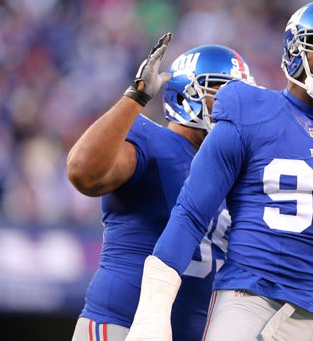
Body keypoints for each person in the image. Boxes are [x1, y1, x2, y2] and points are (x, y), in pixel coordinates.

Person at [126, 0, 313, 341]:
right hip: (250, 300)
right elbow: (191, 214)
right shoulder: (249, 110)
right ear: (293, 48)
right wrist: (153, 308)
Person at [66, 34, 255, 341]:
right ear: (185, 94)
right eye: (219, 92)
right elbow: (83, 173)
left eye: (241, 97)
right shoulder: (152, 140)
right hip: (122, 326)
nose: (232, 106)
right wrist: (135, 99)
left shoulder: (237, 170)